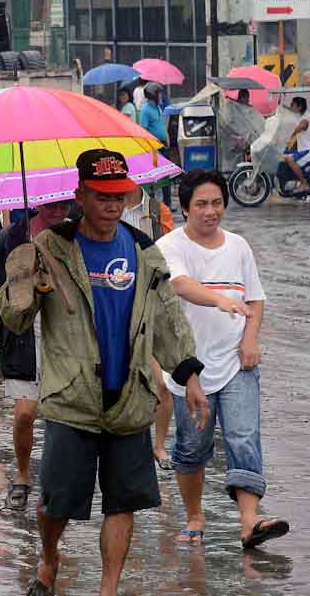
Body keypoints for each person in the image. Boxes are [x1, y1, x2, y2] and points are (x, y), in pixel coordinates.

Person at [0, 149, 208, 596]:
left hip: (129, 397)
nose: (113, 206)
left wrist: (189, 375)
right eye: (101, 196)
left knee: (122, 502)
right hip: (72, 400)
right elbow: (13, 321)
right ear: (79, 195)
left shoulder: (144, 251)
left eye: (120, 196)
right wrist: (24, 281)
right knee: (56, 503)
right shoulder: (49, 248)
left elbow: (168, 318)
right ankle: (49, 557)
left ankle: (108, 588)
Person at [156, 170, 288, 550]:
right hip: (189, 365)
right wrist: (218, 299)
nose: (210, 211)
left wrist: (250, 339)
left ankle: (250, 521)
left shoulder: (238, 246)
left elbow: (256, 298)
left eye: (217, 203)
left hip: (235, 360)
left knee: (244, 437)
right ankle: (195, 516)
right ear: (184, 208)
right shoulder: (170, 246)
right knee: (193, 446)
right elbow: (179, 284)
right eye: (201, 204)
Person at [0, 201, 71, 513]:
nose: (60, 209)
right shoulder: (11, 236)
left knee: (62, 417)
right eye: (53, 204)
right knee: (24, 414)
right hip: (21, 337)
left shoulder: (76, 235)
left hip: (64, 337)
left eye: (66, 202)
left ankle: (58, 478)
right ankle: (21, 476)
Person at [119, 184, 175, 468]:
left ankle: (159, 445)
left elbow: (169, 256)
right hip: (119, 307)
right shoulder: (103, 211)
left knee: (161, 384)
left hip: (151, 305)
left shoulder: (156, 212)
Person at [282, 96, 310, 194]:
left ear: (299, 107)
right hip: (303, 149)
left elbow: (300, 127)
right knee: (283, 155)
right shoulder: (298, 117)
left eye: (293, 105)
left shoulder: (305, 119)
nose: (291, 106)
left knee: (290, 159)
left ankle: (304, 184)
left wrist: (287, 135)